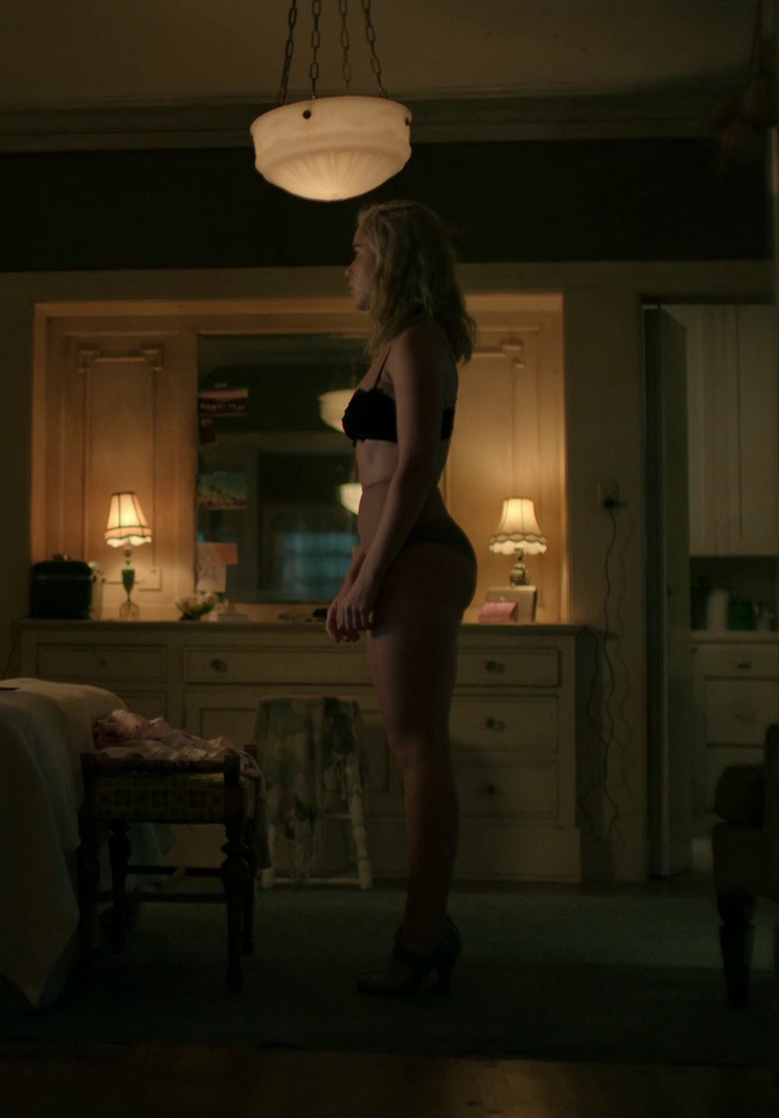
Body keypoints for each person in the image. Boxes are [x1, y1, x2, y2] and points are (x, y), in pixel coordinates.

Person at [325, 199, 478, 997]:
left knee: (419, 749)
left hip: (420, 554)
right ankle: (427, 931)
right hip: (396, 556)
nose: (348, 267)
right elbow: (377, 483)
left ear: (389, 261)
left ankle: (423, 936)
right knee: (411, 745)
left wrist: (373, 574)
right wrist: (354, 574)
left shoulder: (418, 341)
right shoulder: (392, 347)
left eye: (358, 252)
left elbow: (414, 467)